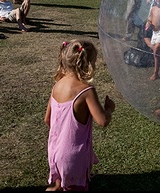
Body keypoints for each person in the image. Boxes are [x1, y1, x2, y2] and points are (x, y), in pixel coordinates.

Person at [44, 39, 115, 191]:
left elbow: (47, 119)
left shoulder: (57, 85)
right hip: (73, 156)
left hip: (55, 150)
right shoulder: (86, 90)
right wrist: (109, 109)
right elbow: (102, 120)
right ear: (88, 64)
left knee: (58, 185)